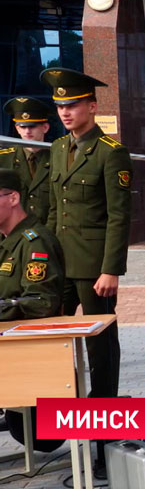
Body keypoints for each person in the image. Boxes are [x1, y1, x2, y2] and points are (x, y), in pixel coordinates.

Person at [41, 68, 132, 401]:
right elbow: (55, 209)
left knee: (101, 344)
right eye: (61, 106)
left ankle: (104, 412)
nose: (65, 112)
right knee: (50, 333)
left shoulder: (111, 152)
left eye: (74, 105)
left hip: (95, 269)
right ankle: (61, 402)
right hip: (60, 264)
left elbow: (119, 216)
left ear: (92, 107)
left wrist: (111, 269)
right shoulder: (58, 147)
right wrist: (46, 258)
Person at [0, 168, 67, 451]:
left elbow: (40, 302)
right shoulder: (6, 240)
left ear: (13, 198)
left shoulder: (34, 242)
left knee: (38, 436)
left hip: (25, 353)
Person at [2, 97, 55, 223]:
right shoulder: (4, 158)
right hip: (13, 233)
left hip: (47, 232)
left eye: (32, 126)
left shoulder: (57, 158)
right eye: (22, 126)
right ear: (17, 128)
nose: (27, 131)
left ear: (45, 127)